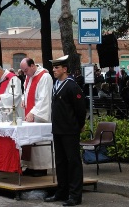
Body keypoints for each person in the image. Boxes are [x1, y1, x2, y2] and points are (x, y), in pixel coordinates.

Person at [44, 55, 86, 206]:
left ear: (65, 69)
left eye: (57, 67)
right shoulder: (56, 84)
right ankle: (62, 191)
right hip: (58, 129)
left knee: (73, 162)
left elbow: (80, 109)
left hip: (69, 130)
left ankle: (75, 195)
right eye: (53, 67)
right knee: (61, 162)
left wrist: (79, 125)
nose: (54, 70)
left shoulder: (71, 86)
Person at [20, 58, 53, 177]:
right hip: (30, 113)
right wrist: (24, 100)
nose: (24, 73)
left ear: (33, 65)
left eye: (26, 70)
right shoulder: (29, 76)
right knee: (30, 141)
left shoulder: (44, 77)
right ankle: (31, 166)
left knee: (39, 142)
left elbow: (44, 99)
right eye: (23, 71)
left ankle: (41, 168)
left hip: (39, 116)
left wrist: (33, 112)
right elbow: (26, 91)